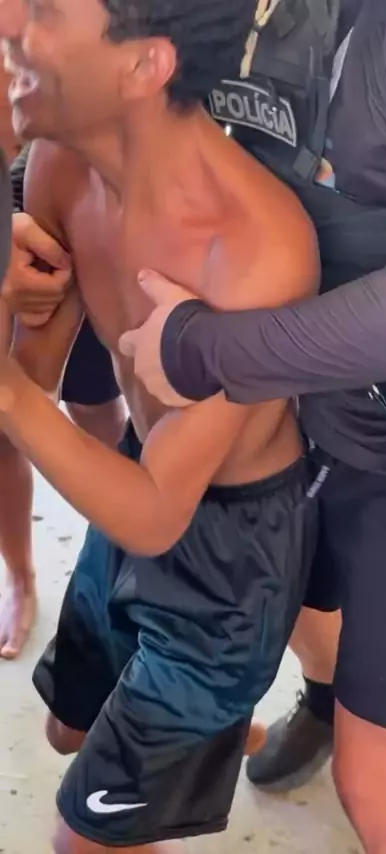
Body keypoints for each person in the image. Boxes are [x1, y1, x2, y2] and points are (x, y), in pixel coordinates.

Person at [117, 1, 386, 853]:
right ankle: (324, 698)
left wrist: (207, 349)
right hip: (296, 410)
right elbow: (116, 91)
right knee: (309, 596)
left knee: (381, 791)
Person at [0, 2, 320, 853]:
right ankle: (206, 738)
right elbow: (33, 380)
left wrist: (7, 393)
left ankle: (206, 724)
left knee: (83, 840)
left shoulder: (254, 247)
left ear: (143, 66)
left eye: (45, 10)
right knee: (67, 731)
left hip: (232, 559)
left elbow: (154, 514)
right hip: (137, 475)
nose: (8, 18)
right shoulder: (60, 167)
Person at [0, 145, 125, 659]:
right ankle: (21, 577)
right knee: (9, 431)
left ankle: (126, 551)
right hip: (35, 194)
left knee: (94, 404)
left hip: (97, 190)